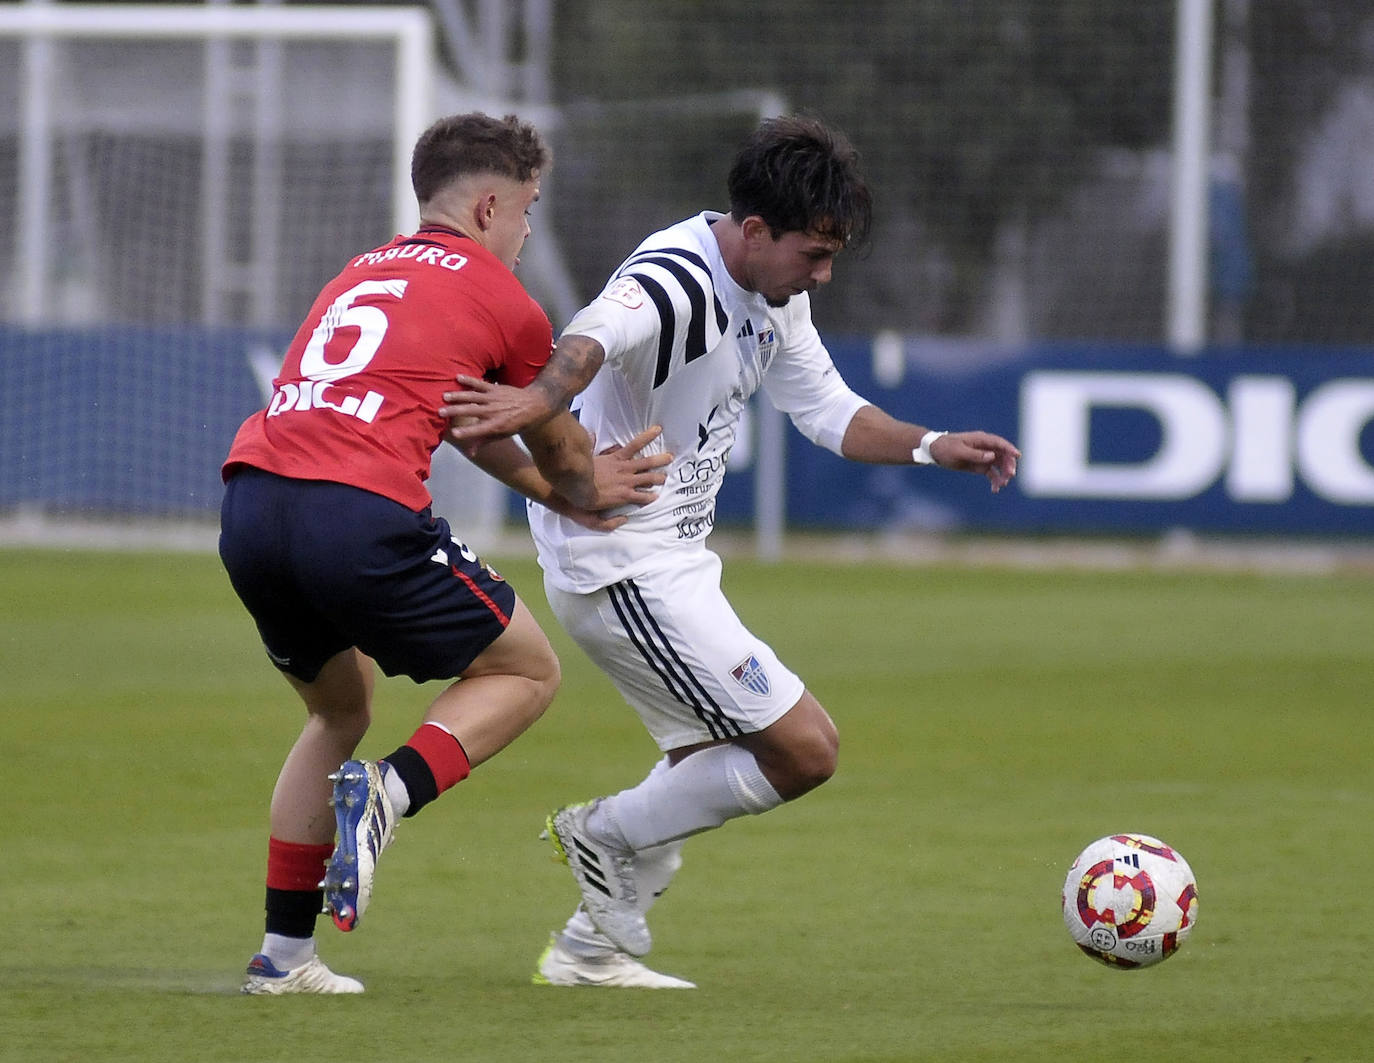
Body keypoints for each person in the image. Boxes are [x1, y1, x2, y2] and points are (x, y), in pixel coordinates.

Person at [442, 114, 1020, 990]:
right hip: (620, 564)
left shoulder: (778, 294)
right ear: (754, 231)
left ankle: (587, 953)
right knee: (803, 749)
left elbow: (828, 410)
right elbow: (591, 338)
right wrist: (535, 405)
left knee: (698, 767)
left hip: (672, 561)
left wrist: (932, 443)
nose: (823, 273)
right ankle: (599, 834)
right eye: (814, 254)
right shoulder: (675, 277)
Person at [218, 112, 668, 995]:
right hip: (356, 513)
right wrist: (585, 488)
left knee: (336, 709)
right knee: (529, 671)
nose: (527, 230)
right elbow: (561, 443)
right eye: (528, 210)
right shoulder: (503, 296)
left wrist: (548, 494)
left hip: (251, 505)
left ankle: (283, 957)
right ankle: (387, 793)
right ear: (491, 203)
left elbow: (469, 420)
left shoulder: (362, 269)